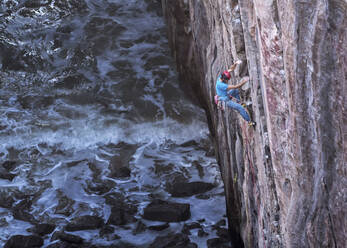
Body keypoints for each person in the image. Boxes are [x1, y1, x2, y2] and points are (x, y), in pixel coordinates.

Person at [215, 60, 256, 126]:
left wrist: (235, 64)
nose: (227, 81)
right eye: (227, 80)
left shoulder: (221, 77)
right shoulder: (222, 85)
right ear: (224, 79)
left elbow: (231, 69)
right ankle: (249, 122)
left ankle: (239, 102)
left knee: (236, 91)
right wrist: (244, 81)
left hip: (226, 95)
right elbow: (236, 86)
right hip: (226, 100)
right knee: (240, 108)